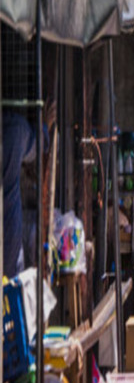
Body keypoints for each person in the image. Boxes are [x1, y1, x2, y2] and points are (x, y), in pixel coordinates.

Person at [3, 102, 56, 279]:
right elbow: (36, 145)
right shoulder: (15, 129)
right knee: (8, 290)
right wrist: (45, 126)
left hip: (10, 231)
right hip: (8, 233)